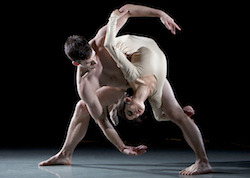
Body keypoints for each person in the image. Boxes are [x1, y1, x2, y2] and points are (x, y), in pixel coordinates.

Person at [38, 4, 212, 175]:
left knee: (176, 114)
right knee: (82, 107)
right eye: (90, 63)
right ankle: (65, 155)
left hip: (144, 74)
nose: (95, 62)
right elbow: (102, 120)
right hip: (122, 87)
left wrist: (160, 14)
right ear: (77, 64)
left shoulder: (100, 41)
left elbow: (126, 10)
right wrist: (122, 147)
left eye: (94, 56)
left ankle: (202, 162)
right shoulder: (85, 84)